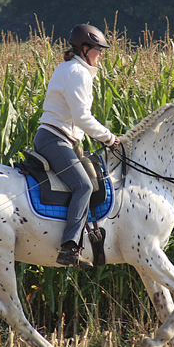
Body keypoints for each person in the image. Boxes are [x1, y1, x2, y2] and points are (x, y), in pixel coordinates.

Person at [34, 24, 121, 268]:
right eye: (98, 49)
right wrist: (110, 138)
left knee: (94, 177)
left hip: (66, 140)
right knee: (82, 185)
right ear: (84, 49)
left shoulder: (69, 68)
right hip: (54, 139)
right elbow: (82, 117)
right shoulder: (78, 73)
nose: (101, 55)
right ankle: (70, 248)